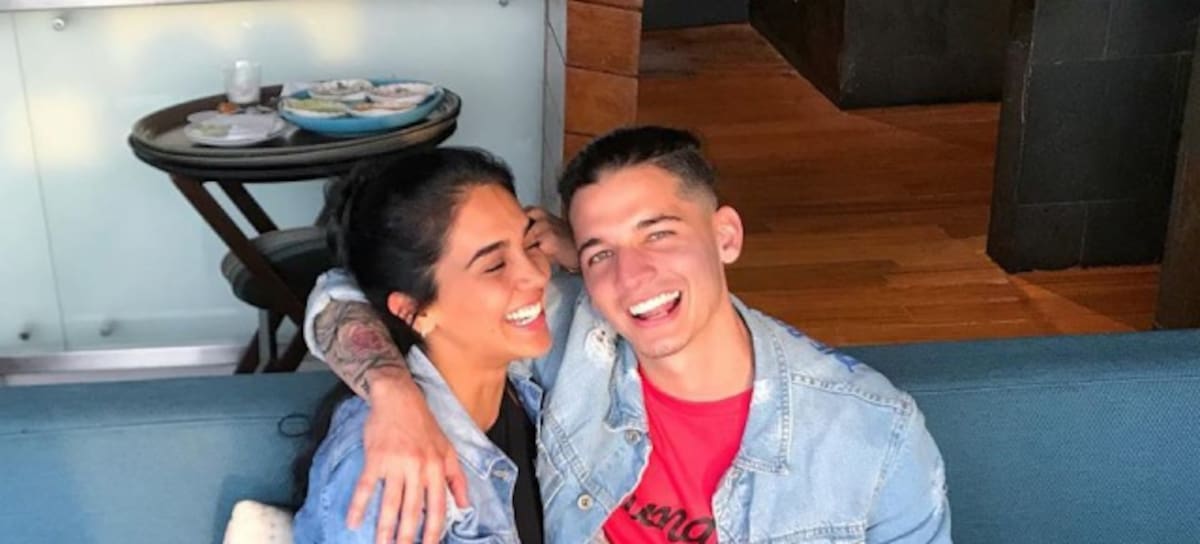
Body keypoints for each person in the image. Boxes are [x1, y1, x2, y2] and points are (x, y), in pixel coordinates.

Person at [306, 127, 952, 543]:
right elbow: (350, 286)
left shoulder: (873, 437)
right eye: (601, 252)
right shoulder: (562, 338)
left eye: (659, 234)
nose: (634, 277)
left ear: (725, 236)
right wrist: (393, 393)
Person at [292, 148, 580, 543]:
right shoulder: (387, 475)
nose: (536, 274)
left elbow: (336, 289)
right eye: (494, 265)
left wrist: (585, 250)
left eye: (531, 244)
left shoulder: (528, 371)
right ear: (415, 311)